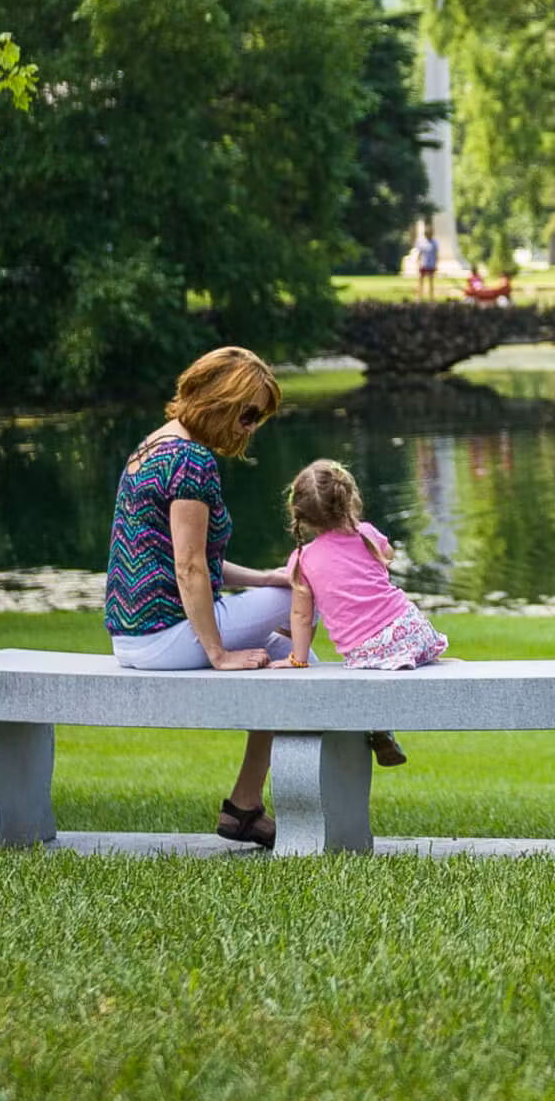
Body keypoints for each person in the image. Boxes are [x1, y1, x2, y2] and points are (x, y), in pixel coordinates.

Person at [104, 347, 296, 847]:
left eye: (260, 418)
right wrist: (219, 655)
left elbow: (195, 561)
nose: (250, 428)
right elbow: (189, 569)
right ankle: (376, 691)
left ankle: (245, 808)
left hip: (135, 638)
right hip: (167, 635)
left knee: (290, 659)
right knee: (301, 595)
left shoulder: (152, 448)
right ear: (218, 401)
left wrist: (264, 578)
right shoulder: (191, 461)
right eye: (247, 414)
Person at [281, 459, 441, 768]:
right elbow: (388, 557)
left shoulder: (302, 559)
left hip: (368, 651)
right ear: (349, 499)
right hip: (413, 629)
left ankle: (379, 728)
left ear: (301, 516)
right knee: (395, 650)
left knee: (368, 679)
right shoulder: (367, 534)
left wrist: (298, 659)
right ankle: (425, 654)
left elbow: (302, 617)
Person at [413, 222, 440, 299]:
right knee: (420, 281)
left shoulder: (435, 242)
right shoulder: (421, 242)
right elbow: (419, 253)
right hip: (423, 264)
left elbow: (436, 254)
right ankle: (419, 297)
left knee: (431, 282)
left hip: (431, 264)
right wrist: (418, 263)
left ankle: (431, 297)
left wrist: (436, 264)